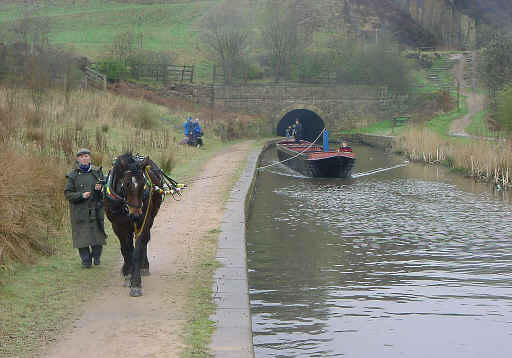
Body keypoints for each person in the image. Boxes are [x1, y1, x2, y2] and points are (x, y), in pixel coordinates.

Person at [64, 148, 107, 268]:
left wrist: (100, 190)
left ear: (90, 158)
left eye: (86, 156)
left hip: (96, 209)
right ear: (78, 159)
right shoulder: (72, 175)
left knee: (97, 234)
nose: (84, 158)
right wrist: (81, 195)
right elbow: (67, 194)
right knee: (81, 237)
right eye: (82, 157)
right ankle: (86, 261)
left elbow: (104, 192)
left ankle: (97, 256)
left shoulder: (97, 172)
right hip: (79, 210)